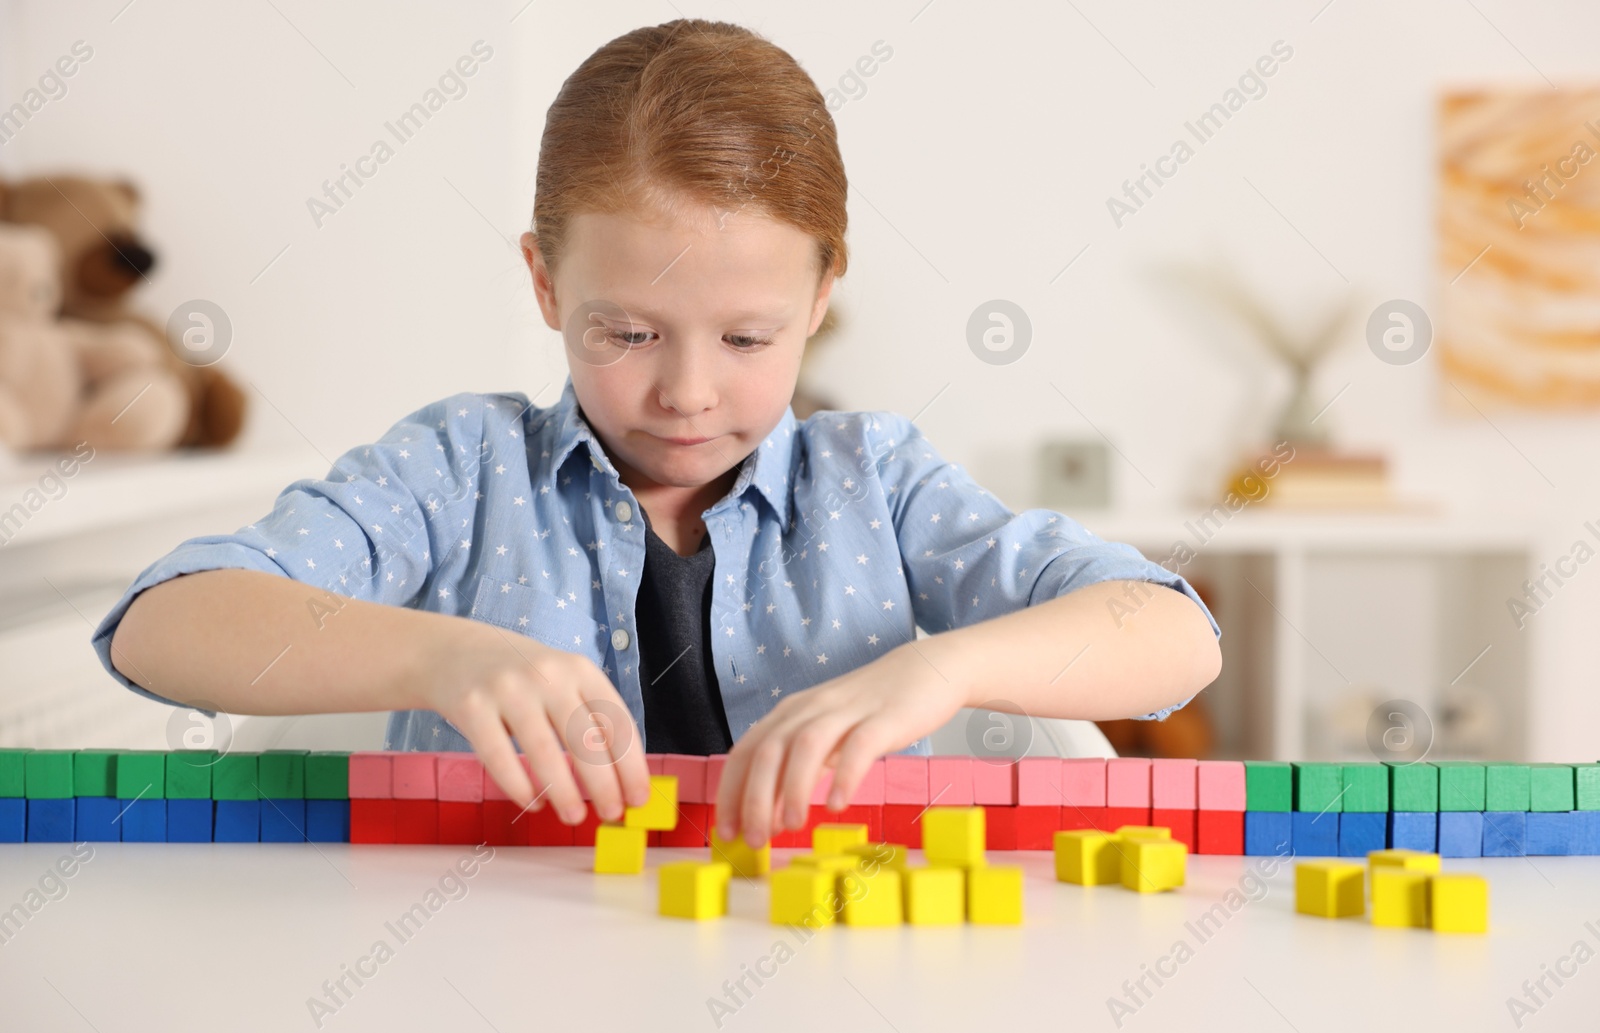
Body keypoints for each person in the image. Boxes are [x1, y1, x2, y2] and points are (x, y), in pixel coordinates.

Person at [92, 19, 1221, 849]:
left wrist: (941, 666)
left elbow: (1175, 638)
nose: (686, 392)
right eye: (626, 331)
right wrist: (439, 653)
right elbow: (159, 625)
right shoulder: (459, 470)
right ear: (543, 279)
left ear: (822, 294)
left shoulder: (873, 481)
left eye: (744, 337)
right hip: (493, 984)